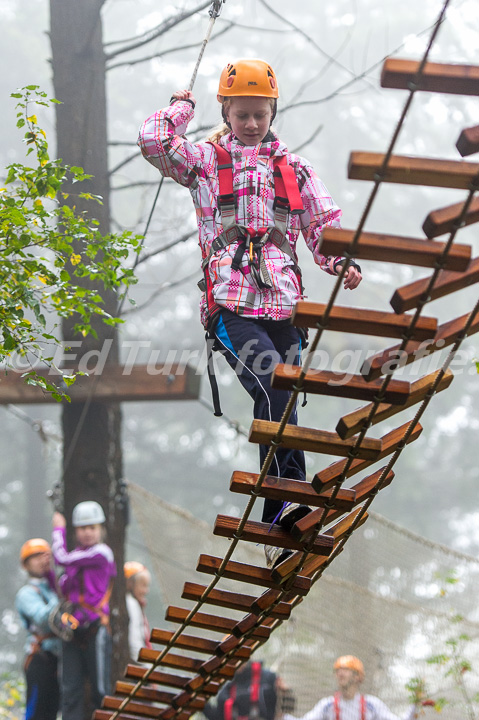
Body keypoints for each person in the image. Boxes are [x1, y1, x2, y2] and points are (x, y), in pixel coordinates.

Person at [138, 58, 362, 568]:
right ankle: (288, 500)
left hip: (283, 305)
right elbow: (154, 143)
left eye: (260, 114)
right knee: (273, 386)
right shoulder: (205, 161)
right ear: (226, 110)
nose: (252, 124)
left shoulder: (295, 170)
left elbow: (323, 225)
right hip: (232, 303)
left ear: (272, 110)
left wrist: (340, 261)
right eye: (242, 114)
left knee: (285, 401)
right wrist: (180, 108)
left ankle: (282, 512)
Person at [52, 501, 116, 720]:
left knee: (100, 691)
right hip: (72, 630)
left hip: (95, 628)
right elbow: (62, 588)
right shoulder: (77, 559)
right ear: (77, 531)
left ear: (100, 529)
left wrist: (58, 529)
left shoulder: (101, 553)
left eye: (92, 527)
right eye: (82, 528)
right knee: (70, 692)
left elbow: (61, 557)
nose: (88, 532)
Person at [284, 655, 420, 720]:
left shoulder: (372, 705)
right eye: (337, 670)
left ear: (358, 677)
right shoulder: (327, 705)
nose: (340, 673)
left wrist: (416, 704)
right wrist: (279, 714)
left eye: (345, 670)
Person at [15, 538, 61, 720]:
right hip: (39, 659)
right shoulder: (26, 594)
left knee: (52, 713)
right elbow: (42, 619)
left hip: (58, 661)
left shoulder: (52, 589)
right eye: (35, 557)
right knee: (36, 713)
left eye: (44, 556)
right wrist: (61, 596)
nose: (42, 560)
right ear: (26, 564)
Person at [203, 660, 293, 720]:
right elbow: (218, 716)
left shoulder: (268, 678)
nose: (236, 663)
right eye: (232, 660)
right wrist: (202, 703)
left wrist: (285, 692)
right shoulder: (227, 689)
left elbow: (287, 708)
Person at [124, 560, 152, 662]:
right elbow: (134, 638)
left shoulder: (135, 604)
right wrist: (145, 664)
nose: (146, 590)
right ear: (130, 584)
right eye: (143, 585)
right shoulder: (131, 604)